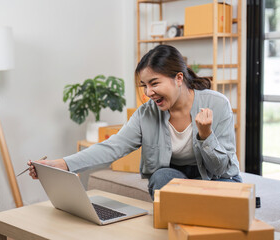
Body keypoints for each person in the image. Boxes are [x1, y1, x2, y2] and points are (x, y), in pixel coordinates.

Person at [28, 44, 241, 200]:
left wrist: (205, 136)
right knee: (160, 178)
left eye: (154, 83)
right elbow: (113, 147)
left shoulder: (217, 104)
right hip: (176, 177)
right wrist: (62, 164)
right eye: (144, 85)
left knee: (224, 191)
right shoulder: (146, 113)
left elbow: (220, 168)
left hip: (215, 177)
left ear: (178, 78)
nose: (148, 92)